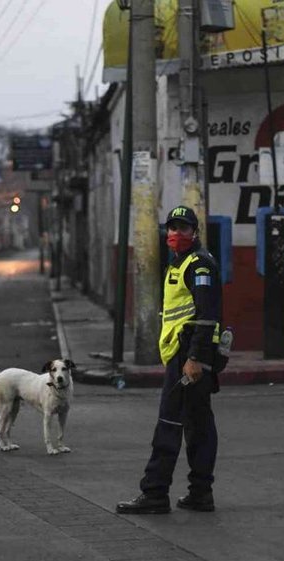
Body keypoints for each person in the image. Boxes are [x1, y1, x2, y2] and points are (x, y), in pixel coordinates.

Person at [116, 205, 223, 514]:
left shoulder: (199, 265)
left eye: (184, 228)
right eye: (173, 228)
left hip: (188, 357)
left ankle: (155, 493)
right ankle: (201, 493)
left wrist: (194, 360)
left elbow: (205, 317)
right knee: (199, 425)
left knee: (169, 422)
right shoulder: (181, 263)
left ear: (195, 232)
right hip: (188, 355)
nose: (177, 234)